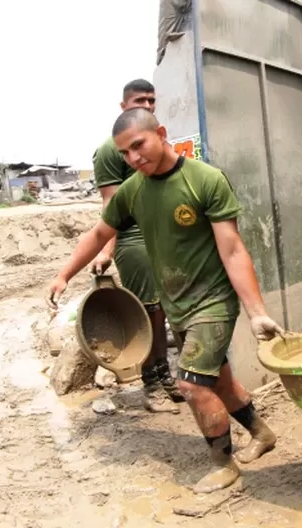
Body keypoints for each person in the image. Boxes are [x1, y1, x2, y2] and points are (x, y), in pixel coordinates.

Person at [47, 108, 283, 493]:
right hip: (177, 305)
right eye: (125, 153)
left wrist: (256, 313)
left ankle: (224, 465)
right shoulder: (133, 190)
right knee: (217, 380)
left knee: (190, 385)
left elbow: (233, 250)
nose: (134, 158)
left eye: (138, 145)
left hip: (213, 301)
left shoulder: (204, 180)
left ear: (160, 133)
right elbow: (99, 232)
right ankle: (261, 433)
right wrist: (64, 274)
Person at [90, 79, 181, 413]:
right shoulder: (109, 152)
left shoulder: (156, 144)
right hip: (134, 239)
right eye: (139, 100)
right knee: (148, 313)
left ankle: (165, 377)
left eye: (152, 99)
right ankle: (151, 384)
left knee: (165, 311)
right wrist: (106, 250)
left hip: (163, 238)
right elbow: (111, 207)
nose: (147, 104)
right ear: (123, 106)